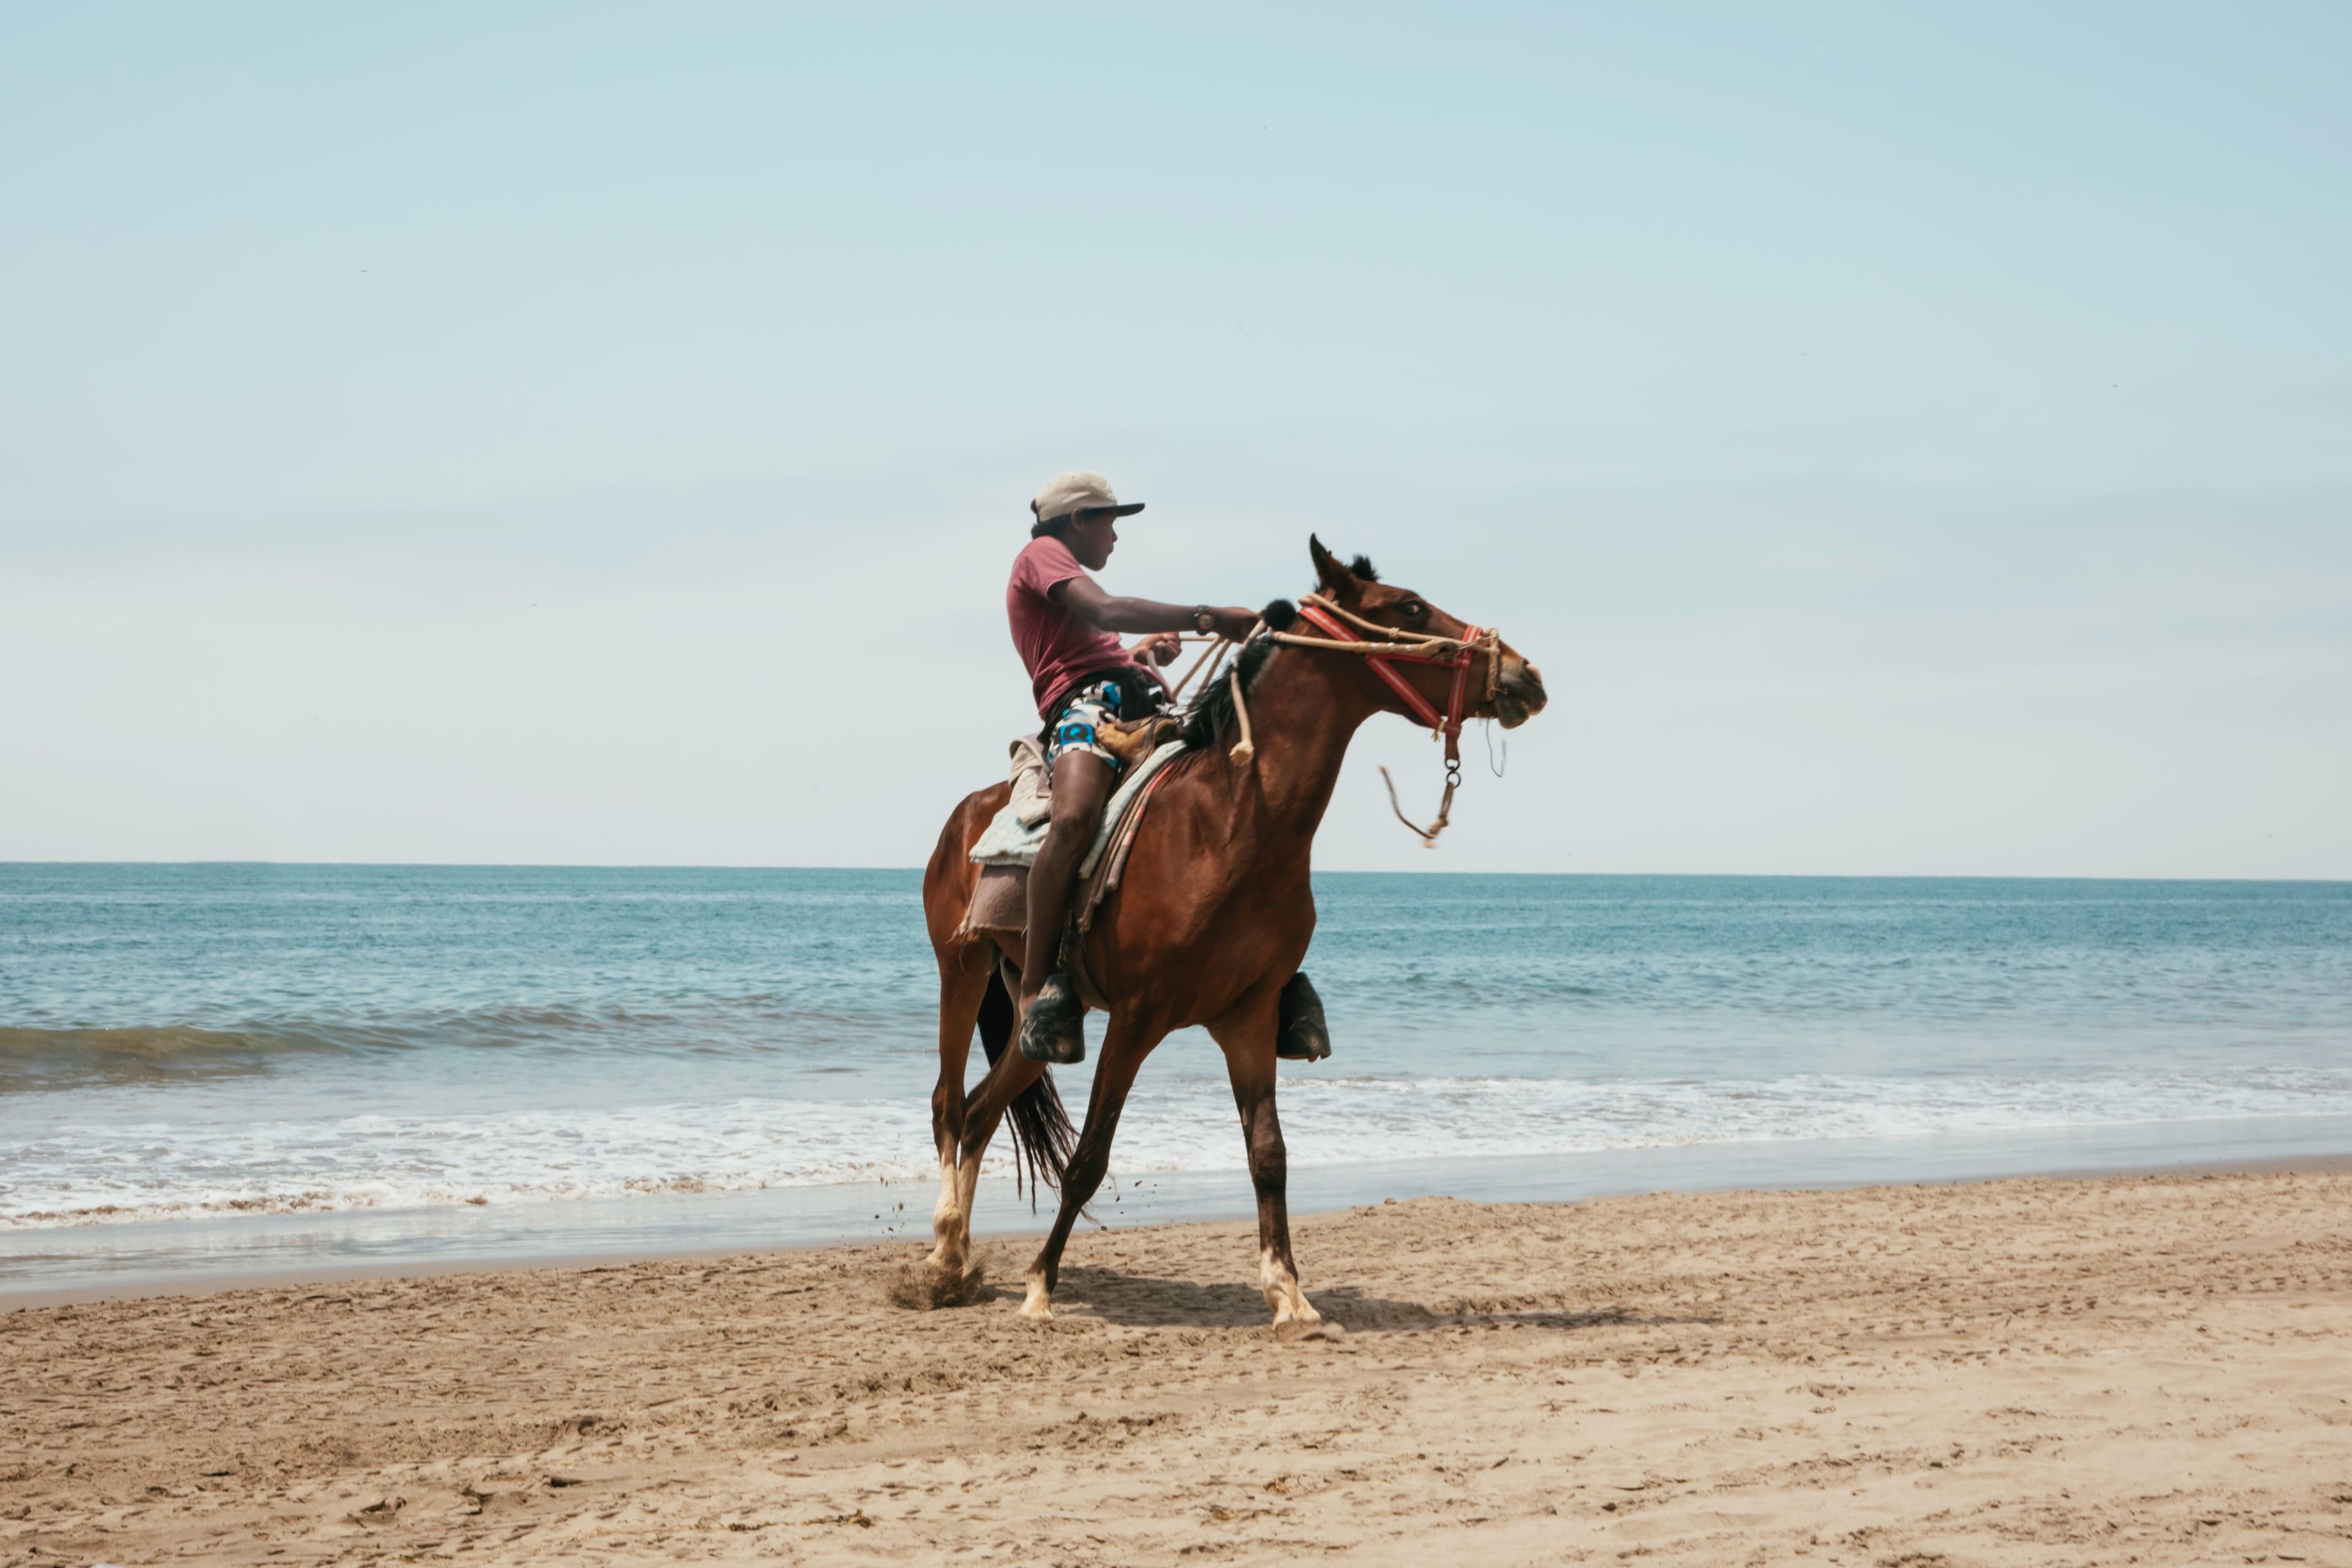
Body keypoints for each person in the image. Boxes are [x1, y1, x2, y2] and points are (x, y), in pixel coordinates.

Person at [1006, 470, 1259, 1063]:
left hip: (1138, 693)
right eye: (1111, 523)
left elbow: (1101, 639)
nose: (1116, 538)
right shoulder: (1041, 554)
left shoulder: (1069, 577)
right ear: (1078, 520)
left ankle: (1265, 967)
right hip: (1086, 706)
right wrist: (1212, 616)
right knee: (1073, 820)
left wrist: (1143, 653)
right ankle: (1034, 986)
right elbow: (1110, 609)